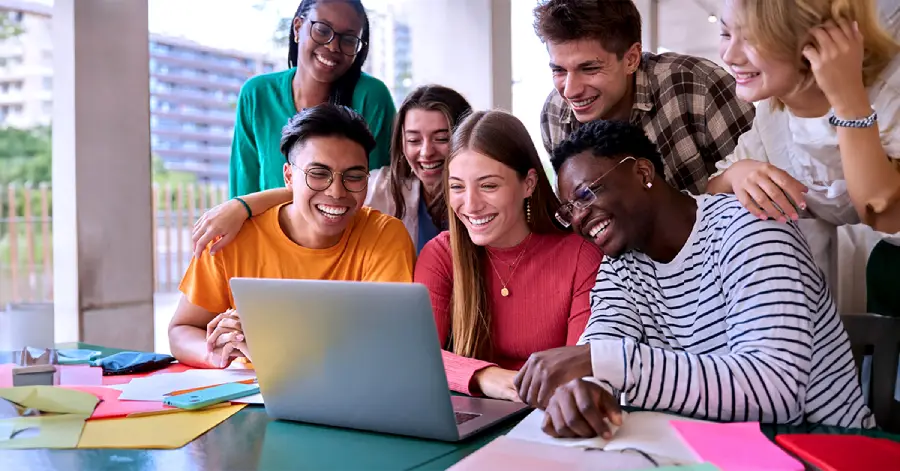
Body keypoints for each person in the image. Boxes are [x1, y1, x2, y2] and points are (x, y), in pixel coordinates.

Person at [513, 120, 873, 438]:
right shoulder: (621, 264)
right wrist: (581, 391)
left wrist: (603, 362)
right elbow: (599, 350)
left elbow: (774, 390)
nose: (578, 218)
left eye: (586, 194)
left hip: (822, 448)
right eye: (569, 210)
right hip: (710, 449)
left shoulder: (750, 227)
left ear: (641, 173)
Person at [169, 104, 415, 369]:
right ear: (288, 176)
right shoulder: (232, 237)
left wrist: (271, 346)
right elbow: (182, 330)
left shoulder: (384, 235)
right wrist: (215, 352)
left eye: (354, 177)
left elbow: (385, 344)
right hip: (248, 395)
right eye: (318, 174)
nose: (336, 192)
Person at [707, 0, 900, 310]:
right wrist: (737, 173)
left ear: (820, 39)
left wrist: (849, 100)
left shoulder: (889, 92)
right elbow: (712, 192)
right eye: (727, 34)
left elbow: (885, 215)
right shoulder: (772, 113)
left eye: (753, 38)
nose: (730, 56)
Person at [414, 110, 603, 401]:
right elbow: (417, 356)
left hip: (550, 416)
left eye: (488, 185)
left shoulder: (581, 257)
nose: (471, 205)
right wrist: (488, 377)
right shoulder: (441, 255)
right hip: (469, 416)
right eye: (457, 187)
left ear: (528, 183)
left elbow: (578, 371)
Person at [195, 85, 472, 256]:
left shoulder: (486, 191)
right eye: (413, 140)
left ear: (465, 135)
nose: (425, 152)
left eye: (441, 137)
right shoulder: (391, 186)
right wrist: (240, 206)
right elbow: (319, 192)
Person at [533, 0, 756, 194]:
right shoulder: (554, 114)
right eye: (559, 70)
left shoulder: (696, 86)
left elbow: (759, 181)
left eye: (589, 68)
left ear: (631, 59)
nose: (570, 91)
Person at [230, 0, 396, 198]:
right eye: (323, 30)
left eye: (349, 39)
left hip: (353, 229)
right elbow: (242, 195)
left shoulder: (372, 97)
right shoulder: (257, 95)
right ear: (298, 28)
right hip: (268, 229)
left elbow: (375, 194)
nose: (333, 46)